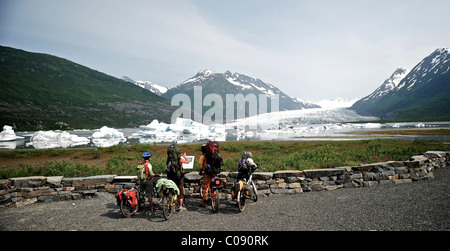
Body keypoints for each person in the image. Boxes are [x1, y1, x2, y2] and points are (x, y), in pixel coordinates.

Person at [166, 143, 189, 212]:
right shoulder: (180, 160)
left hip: (170, 176)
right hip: (179, 177)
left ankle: (170, 203)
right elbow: (187, 162)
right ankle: (180, 206)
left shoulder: (169, 160)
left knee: (171, 189)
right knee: (180, 191)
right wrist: (184, 156)